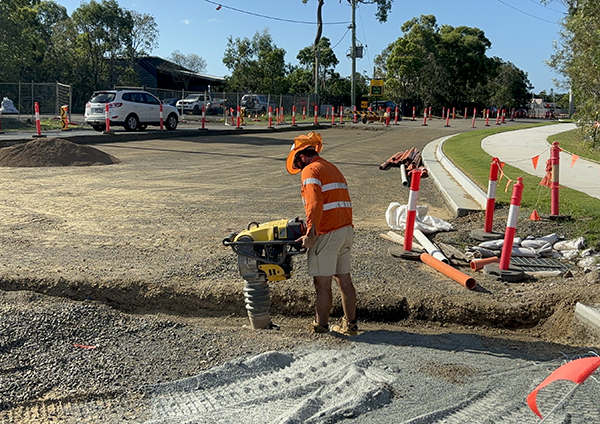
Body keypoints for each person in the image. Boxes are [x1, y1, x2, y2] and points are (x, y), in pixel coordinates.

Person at [286, 132, 358, 336]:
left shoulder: (310, 170)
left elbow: (314, 204)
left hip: (328, 233)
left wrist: (310, 234)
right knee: (344, 279)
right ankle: (350, 324)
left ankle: (321, 325)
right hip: (345, 230)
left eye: (297, 161)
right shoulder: (331, 167)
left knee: (322, 282)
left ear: (301, 156)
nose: (298, 166)